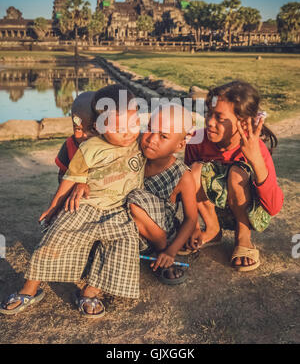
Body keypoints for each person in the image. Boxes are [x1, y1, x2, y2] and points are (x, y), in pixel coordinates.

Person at [0, 84, 145, 318]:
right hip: (86, 205)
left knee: (123, 245)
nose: (128, 132)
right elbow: (68, 179)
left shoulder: (138, 142)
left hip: (119, 210)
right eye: (119, 127)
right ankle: (30, 289)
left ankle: (90, 292)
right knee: (56, 235)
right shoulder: (89, 148)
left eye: (133, 123)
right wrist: (55, 206)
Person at [184, 80, 284, 272]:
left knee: (237, 173)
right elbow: (187, 187)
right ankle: (212, 231)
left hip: (250, 212)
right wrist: (192, 225)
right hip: (215, 208)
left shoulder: (257, 148)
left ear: (244, 122)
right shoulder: (197, 141)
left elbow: (272, 207)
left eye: (220, 118)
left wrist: (255, 160)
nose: (210, 122)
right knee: (193, 171)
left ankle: (243, 237)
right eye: (209, 114)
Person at [127, 103, 198, 284]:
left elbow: (191, 218)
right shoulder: (134, 153)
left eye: (163, 136)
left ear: (180, 145)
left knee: (133, 199)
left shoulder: (182, 175)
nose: (151, 139)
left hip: (162, 231)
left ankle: (161, 251)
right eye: (150, 128)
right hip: (132, 229)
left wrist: (171, 251)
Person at [55, 91, 95, 184]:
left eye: (92, 129)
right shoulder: (69, 145)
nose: (85, 135)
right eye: (78, 129)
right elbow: (62, 174)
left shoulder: (107, 146)